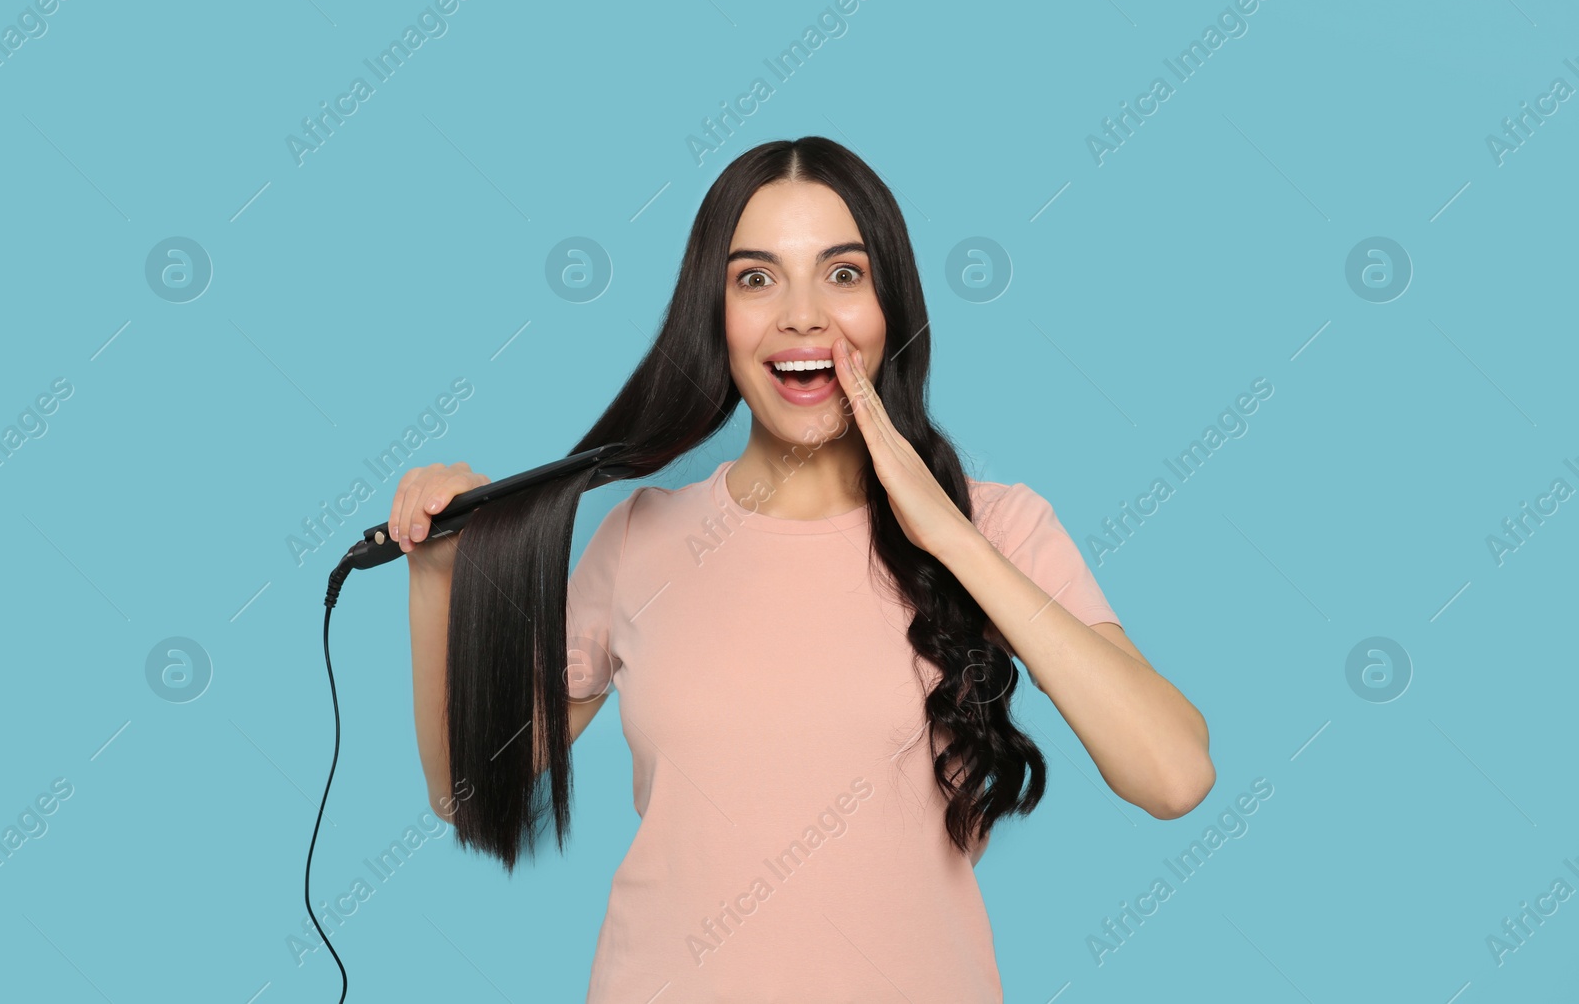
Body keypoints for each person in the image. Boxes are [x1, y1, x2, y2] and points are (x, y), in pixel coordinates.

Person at [391, 137, 1213, 1002]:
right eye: (756, 278)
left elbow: (1174, 773)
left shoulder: (999, 525)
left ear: (890, 303)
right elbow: (467, 789)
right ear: (714, 317)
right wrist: (438, 572)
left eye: (842, 274)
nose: (802, 316)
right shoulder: (643, 539)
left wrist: (949, 536)